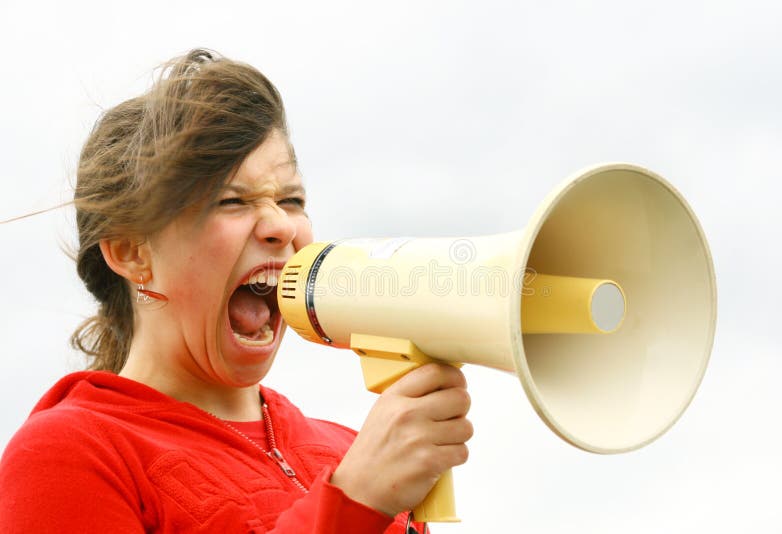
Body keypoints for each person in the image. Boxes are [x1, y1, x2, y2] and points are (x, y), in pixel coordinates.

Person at [0, 49, 473, 533]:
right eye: (231, 200)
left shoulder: (351, 450)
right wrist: (352, 502)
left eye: (291, 199)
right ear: (130, 251)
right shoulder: (69, 453)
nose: (279, 225)